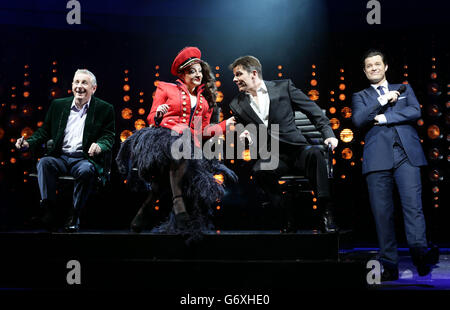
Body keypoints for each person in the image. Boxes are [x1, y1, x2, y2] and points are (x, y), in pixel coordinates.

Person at [116, 46, 237, 238]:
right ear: (182, 73)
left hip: (187, 145)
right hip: (162, 139)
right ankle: (178, 202)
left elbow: (202, 132)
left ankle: (144, 212)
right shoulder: (166, 88)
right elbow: (151, 117)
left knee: (167, 178)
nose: (197, 74)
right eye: (192, 71)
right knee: (180, 142)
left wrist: (224, 125)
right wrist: (161, 115)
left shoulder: (204, 102)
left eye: (199, 70)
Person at [352, 49, 439, 281]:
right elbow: (359, 119)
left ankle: (420, 255)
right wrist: (381, 101)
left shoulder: (403, 88)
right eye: (369, 66)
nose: (373, 68)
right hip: (377, 159)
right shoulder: (360, 96)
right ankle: (389, 264)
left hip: (406, 156)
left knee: (413, 207)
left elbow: (414, 111)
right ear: (364, 70)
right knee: (383, 213)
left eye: (377, 64)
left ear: (385, 66)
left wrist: (384, 118)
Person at [228, 55, 339, 233]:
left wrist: (328, 134)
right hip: (273, 155)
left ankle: (326, 213)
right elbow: (247, 134)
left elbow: (314, 111)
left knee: (316, 153)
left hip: (297, 149)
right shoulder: (237, 104)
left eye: (238, 74)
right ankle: (286, 215)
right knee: (259, 172)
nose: (235, 79)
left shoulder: (283, 87)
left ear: (253, 73)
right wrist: (246, 136)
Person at [16, 69, 115, 232]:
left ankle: (74, 215)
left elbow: (108, 136)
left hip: (83, 159)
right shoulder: (58, 105)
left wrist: (100, 146)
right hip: (60, 157)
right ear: (72, 86)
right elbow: (44, 132)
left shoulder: (104, 109)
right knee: (45, 163)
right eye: (76, 82)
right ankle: (49, 210)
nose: (79, 86)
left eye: (84, 83)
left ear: (94, 88)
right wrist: (27, 143)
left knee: (86, 171)